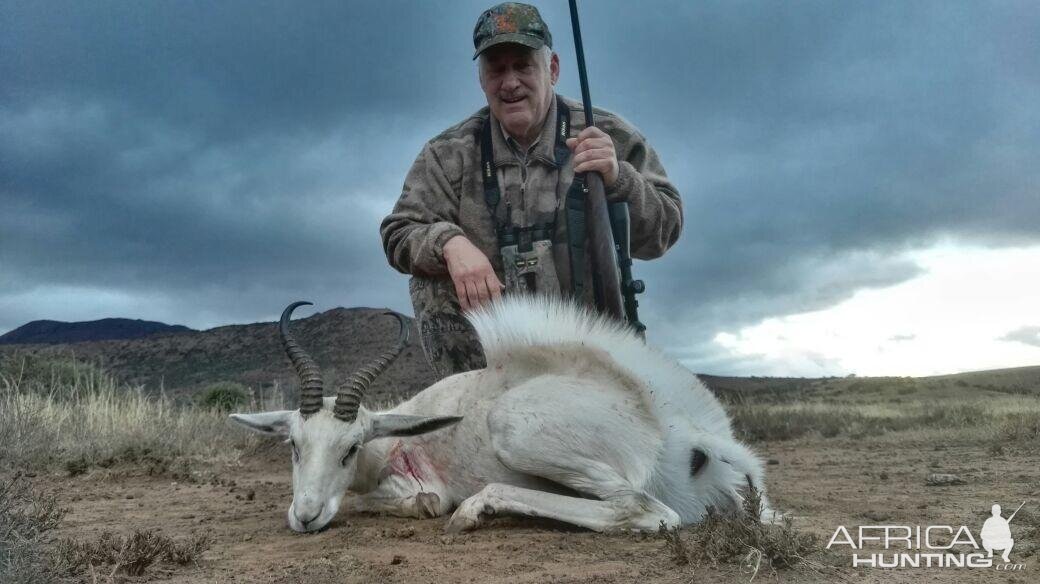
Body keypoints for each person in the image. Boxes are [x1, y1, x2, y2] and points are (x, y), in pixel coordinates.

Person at [380, 2, 682, 378]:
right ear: (481, 79)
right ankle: (469, 406)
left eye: (523, 65)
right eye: (496, 68)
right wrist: (449, 243)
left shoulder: (607, 133)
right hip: (495, 356)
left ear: (552, 69)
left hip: (590, 350)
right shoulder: (447, 153)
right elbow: (398, 231)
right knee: (428, 271)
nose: (510, 83)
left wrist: (619, 177)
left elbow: (666, 230)